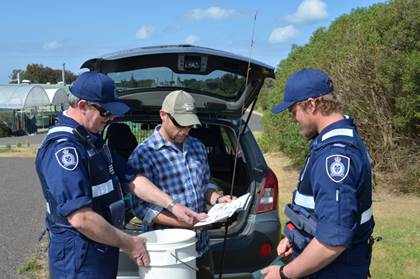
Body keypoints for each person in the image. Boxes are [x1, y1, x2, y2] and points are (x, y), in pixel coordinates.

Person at [35, 72, 205, 278]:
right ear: (82, 105)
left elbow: (132, 179)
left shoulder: (93, 140)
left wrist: (173, 205)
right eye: (106, 112)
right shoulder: (63, 150)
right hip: (78, 256)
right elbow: (81, 218)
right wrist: (129, 243)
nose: (112, 118)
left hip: (103, 245)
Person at [262, 69, 375, 278]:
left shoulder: (335, 155)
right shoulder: (339, 139)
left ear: (311, 104)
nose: (293, 119)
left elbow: (332, 240)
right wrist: (296, 238)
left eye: (293, 111)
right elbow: (320, 214)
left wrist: (284, 274)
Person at [126, 90, 233, 277]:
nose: (185, 130)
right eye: (180, 124)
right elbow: (141, 209)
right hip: (168, 254)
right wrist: (184, 223)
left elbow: (205, 185)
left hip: (201, 247)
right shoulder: (144, 154)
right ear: (163, 115)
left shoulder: (197, 146)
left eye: (190, 124)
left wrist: (218, 199)